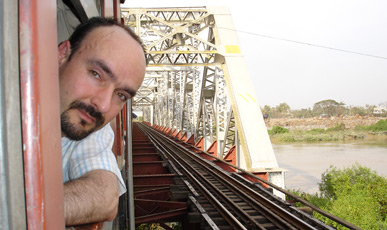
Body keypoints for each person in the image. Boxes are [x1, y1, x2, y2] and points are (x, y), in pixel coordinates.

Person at [58, 17, 146, 226]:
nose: (104, 105)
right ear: (62, 55)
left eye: (121, 95)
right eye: (96, 74)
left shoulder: (89, 126)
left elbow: (105, 196)